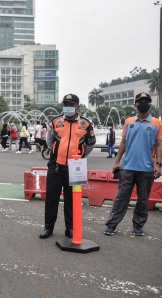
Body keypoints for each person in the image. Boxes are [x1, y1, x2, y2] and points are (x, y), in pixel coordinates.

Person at [104, 92, 162, 236]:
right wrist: (117, 162)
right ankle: (112, 224)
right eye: (140, 101)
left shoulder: (157, 123)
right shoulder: (129, 121)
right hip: (128, 167)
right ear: (135, 104)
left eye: (146, 101)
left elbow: (159, 145)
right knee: (121, 198)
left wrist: (159, 164)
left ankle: (138, 225)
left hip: (147, 168)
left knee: (143, 199)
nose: (143, 103)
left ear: (150, 104)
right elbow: (123, 142)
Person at [39, 94, 96, 239]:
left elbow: (90, 144)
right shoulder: (56, 122)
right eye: (66, 104)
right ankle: (48, 227)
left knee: (72, 199)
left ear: (77, 106)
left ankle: (70, 228)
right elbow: (50, 141)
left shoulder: (86, 124)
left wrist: (80, 156)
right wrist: (56, 154)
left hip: (75, 168)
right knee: (52, 198)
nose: (68, 107)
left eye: (71, 105)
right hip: (56, 167)